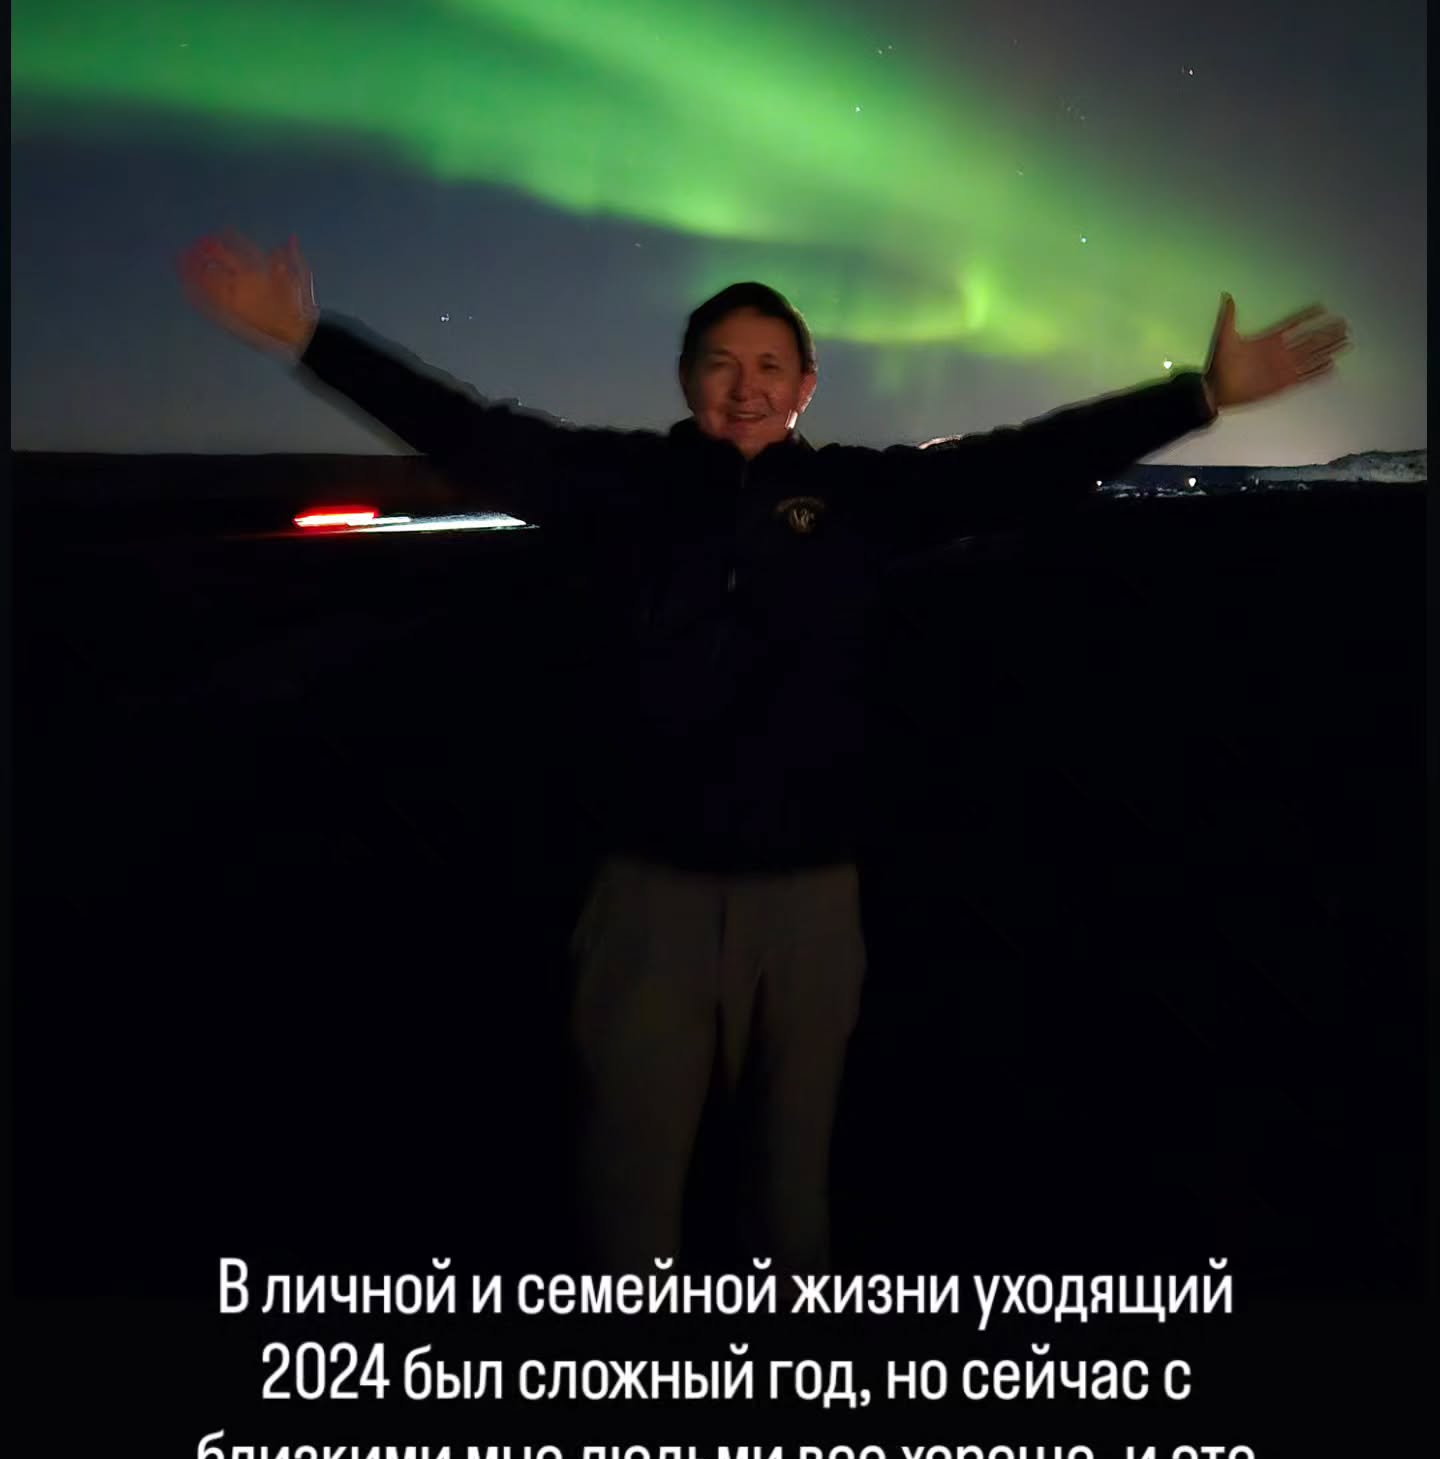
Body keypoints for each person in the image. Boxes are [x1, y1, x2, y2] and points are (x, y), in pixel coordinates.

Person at [178, 231, 1350, 1273]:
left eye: (771, 366)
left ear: (805, 386)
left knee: (790, 1210)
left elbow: (1018, 464)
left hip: (811, 902)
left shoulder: (859, 497)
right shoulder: (621, 485)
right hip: (647, 901)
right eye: (721, 364)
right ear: (687, 376)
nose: (746, 387)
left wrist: (1200, 394)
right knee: (624, 1205)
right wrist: (315, 341)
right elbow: (470, 432)